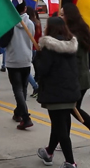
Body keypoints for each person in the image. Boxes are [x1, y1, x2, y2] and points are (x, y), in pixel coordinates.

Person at [35, 17, 81, 168]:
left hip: (56, 94)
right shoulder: (71, 45)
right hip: (70, 91)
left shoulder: (49, 47)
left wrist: (38, 58)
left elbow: (43, 70)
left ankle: (70, 162)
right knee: (59, 125)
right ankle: (48, 153)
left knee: (61, 129)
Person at [62, 3, 90, 150]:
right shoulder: (81, 30)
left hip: (77, 78)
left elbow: (71, 58)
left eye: (62, 14)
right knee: (71, 109)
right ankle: (62, 140)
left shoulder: (73, 35)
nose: (60, 17)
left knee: (71, 109)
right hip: (82, 77)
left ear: (69, 16)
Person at [0, 0, 34, 130]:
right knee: (23, 88)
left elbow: (2, 43)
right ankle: (18, 112)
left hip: (13, 60)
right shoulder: (30, 23)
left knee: (17, 89)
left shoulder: (9, 24)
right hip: (26, 58)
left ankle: (25, 117)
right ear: (25, 9)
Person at [26, 6, 41, 98]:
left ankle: (35, 86)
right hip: (35, 48)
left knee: (25, 70)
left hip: (29, 48)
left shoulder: (29, 24)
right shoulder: (37, 23)